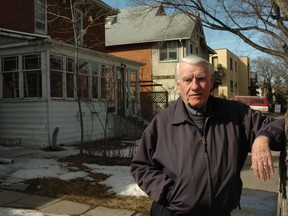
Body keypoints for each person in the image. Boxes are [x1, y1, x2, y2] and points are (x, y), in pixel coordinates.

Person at [130, 54, 285, 216]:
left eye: (201, 79)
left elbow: (279, 125)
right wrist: (169, 193)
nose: (195, 86)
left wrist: (263, 137)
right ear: (178, 85)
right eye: (187, 80)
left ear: (211, 82)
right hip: (172, 212)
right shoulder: (162, 122)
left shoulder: (235, 114)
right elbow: (141, 166)